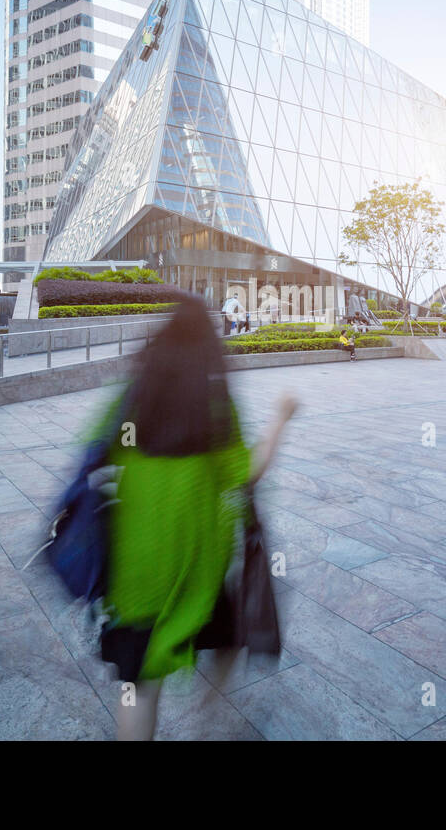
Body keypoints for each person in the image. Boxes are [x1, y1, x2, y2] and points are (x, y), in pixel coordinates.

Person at [90, 297, 297, 740]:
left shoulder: (133, 398)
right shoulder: (217, 405)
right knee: (227, 634)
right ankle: (212, 712)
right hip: (198, 565)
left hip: (137, 569)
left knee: (140, 686)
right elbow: (247, 472)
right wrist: (282, 417)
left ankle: (203, 711)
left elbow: (95, 451)